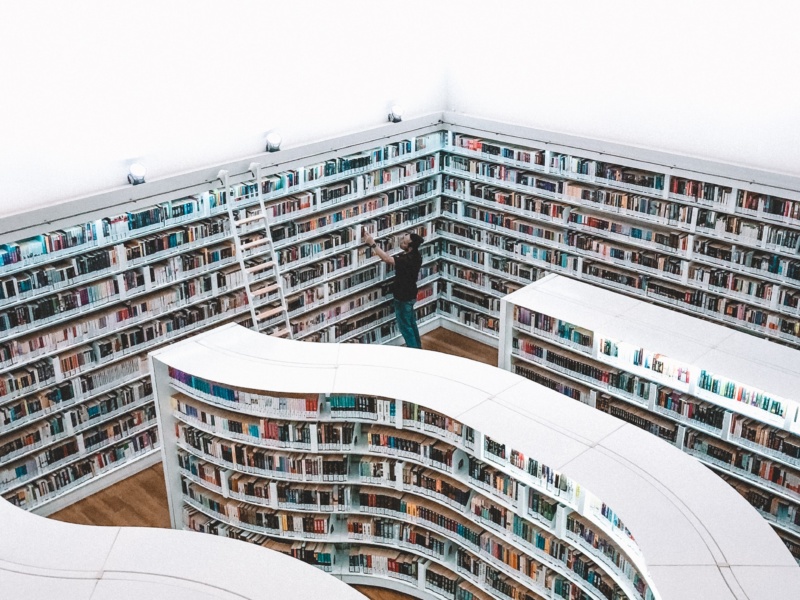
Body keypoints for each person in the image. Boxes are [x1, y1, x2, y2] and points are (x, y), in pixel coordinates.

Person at [361, 227, 424, 348]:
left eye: (404, 242)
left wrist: (372, 244)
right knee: (411, 324)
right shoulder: (417, 256)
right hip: (411, 295)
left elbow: (386, 259)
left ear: (409, 246)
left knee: (405, 328)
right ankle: (418, 349)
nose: (401, 243)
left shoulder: (406, 260)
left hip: (403, 297)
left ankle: (414, 352)